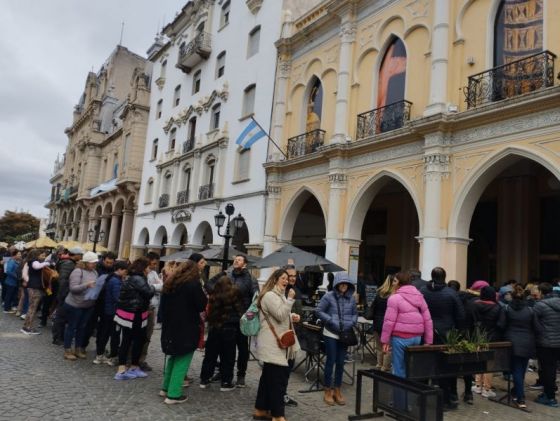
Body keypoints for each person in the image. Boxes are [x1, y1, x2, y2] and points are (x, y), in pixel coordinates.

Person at [254, 269, 300, 421]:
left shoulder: (278, 295)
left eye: (287, 278)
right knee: (277, 382)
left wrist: (291, 316)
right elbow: (280, 315)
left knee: (268, 379)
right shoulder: (269, 295)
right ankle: (277, 415)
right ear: (275, 279)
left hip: (275, 343)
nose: (286, 281)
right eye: (283, 278)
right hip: (273, 345)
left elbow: (280, 314)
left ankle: (260, 410)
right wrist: (290, 299)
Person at [160, 260, 207, 404]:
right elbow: (201, 305)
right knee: (182, 359)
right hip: (186, 326)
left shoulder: (170, 283)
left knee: (173, 356)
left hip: (170, 325)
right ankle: (173, 394)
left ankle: (165, 387)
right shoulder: (193, 285)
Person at [421, 267, 465, 410]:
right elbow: (460, 316)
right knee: (445, 368)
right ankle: (446, 400)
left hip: (426, 332)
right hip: (446, 334)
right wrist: (459, 334)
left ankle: (421, 399)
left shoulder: (423, 291)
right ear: (444, 277)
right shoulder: (451, 293)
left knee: (424, 366)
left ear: (431, 276)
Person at [316, 272, 358, 406]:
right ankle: (327, 390)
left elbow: (355, 314)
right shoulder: (328, 296)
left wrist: (351, 323)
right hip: (331, 333)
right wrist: (330, 320)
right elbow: (318, 311)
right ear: (337, 284)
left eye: (346, 283)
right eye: (341, 283)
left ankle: (337, 390)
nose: (344, 285)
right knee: (331, 361)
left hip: (344, 334)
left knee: (340, 362)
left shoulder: (351, 298)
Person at [381, 271, 433, 377]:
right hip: (417, 337)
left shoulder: (394, 298)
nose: (393, 283)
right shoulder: (419, 296)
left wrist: (384, 341)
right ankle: (410, 392)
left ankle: (400, 393)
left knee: (398, 368)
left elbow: (388, 322)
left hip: (400, 337)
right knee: (411, 367)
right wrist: (428, 340)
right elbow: (427, 319)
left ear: (400, 282)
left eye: (395, 281)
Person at [113, 257, 154, 380]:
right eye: (148, 267)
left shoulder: (133, 277)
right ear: (143, 267)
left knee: (134, 340)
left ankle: (132, 367)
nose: (149, 269)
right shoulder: (138, 278)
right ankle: (123, 369)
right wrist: (154, 287)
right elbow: (148, 292)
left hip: (134, 312)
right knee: (131, 340)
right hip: (134, 313)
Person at [200, 275, 243, 391]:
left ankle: (204, 379)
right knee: (228, 356)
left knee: (210, 355)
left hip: (215, 327)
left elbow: (208, 283)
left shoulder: (214, 294)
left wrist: (219, 274)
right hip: (230, 328)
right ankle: (226, 382)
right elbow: (239, 311)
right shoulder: (235, 294)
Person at [497, 284, 534, 409]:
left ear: (511, 296)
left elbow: (501, 325)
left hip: (512, 342)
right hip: (528, 342)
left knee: (517, 370)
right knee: (521, 370)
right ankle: (516, 392)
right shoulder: (530, 310)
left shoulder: (506, 308)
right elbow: (536, 326)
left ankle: (520, 397)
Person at [227, 255, 258, 387]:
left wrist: (249, 315)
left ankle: (241, 375)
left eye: (239, 260)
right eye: (235, 259)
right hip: (228, 317)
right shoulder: (229, 276)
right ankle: (226, 373)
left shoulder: (251, 279)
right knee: (228, 348)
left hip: (242, 318)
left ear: (245, 264)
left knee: (243, 349)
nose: (236, 261)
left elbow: (256, 298)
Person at [62, 251, 98, 359]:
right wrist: (86, 285)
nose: (94, 264)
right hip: (75, 305)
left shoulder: (95, 272)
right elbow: (73, 289)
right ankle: (67, 350)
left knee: (82, 328)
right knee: (72, 327)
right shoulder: (78, 272)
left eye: (95, 262)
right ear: (86, 262)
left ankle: (78, 349)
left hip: (88, 305)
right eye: (92, 262)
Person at [93, 260, 128, 365]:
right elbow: (117, 297)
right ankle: (113, 357)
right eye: (125, 271)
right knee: (114, 334)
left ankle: (99, 355)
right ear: (120, 269)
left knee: (104, 333)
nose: (126, 273)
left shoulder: (110, 277)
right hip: (113, 311)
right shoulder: (116, 281)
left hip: (106, 310)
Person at [471, 286, 502, 398]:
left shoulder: (474, 304)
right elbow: (500, 324)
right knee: (489, 363)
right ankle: (487, 388)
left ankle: (478, 385)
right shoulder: (497, 307)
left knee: (478, 359)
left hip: (477, 336)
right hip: (491, 338)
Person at [532, 282, 560, 407]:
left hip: (545, 342)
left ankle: (550, 397)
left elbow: (533, 322)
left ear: (541, 292)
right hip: (558, 342)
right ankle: (549, 392)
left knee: (547, 370)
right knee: (552, 368)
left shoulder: (540, 305)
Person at [51, 247, 83, 345]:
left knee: (62, 317)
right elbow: (63, 280)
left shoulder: (69, 263)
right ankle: (57, 338)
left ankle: (60, 337)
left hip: (64, 293)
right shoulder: (68, 264)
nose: (81, 256)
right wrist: (64, 295)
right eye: (80, 255)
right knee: (61, 317)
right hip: (63, 294)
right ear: (75, 255)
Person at [366, 274, 395, 372]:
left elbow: (373, 308)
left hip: (377, 323)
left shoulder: (379, 293)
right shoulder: (394, 295)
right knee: (387, 347)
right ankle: (385, 367)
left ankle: (379, 364)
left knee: (379, 346)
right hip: (387, 324)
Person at [138, 251, 162, 372]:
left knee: (148, 335)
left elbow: (161, 286)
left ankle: (141, 359)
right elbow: (148, 289)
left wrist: (156, 286)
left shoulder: (154, 273)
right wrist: (156, 286)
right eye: (153, 263)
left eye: (156, 263)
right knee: (138, 335)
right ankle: (131, 359)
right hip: (143, 307)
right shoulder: (141, 274)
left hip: (152, 308)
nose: (155, 266)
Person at [21, 249, 52, 335]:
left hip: (33, 286)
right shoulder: (34, 262)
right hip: (35, 287)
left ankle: (26, 327)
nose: (43, 256)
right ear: (37, 255)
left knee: (32, 308)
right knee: (32, 308)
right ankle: (28, 328)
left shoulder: (30, 262)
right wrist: (47, 263)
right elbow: (37, 266)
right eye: (42, 255)